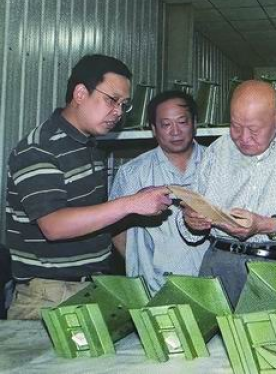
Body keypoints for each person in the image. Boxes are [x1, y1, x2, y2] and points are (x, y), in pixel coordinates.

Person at [5, 54, 172, 320]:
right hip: (49, 298)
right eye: (112, 100)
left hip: (89, 289)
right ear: (80, 93)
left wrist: (135, 203)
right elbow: (54, 226)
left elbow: (95, 218)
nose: (118, 112)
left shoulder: (89, 147)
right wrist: (129, 204)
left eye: (124, 104)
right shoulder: (39, 148)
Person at [180, 80, 276, 305]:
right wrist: (191, 220)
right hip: (221, 269)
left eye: (254, 130)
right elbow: (191, 212)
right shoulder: (217, 150)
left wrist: (264, 225)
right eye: (235, 126)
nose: (243, 138)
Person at [109, 91, 207, 295]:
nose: (175, 131)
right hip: (155, 288)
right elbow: (116, 230)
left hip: (212, 285)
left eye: (182, 122)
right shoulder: (133, 172)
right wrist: (142, 268)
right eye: (166, 124)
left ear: (195, 123)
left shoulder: (217, 164)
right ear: (154, 129)